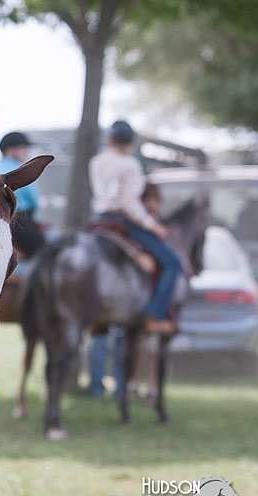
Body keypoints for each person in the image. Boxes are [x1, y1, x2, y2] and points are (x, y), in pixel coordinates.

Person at [89, 120, 181, 335]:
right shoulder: (130, 164)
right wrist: (153, 225)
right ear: (130, 141)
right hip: (123, 221)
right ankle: (155, 314)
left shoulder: (96, 161)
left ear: (110, 139)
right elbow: (129, 203)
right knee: (172, 263)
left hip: (101, 218)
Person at [87, 182, 164, 398]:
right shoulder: (131, 228)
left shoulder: (106, 226)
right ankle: (111, 388)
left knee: (106, 341)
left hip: (108, 303)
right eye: (152, 200)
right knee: (113, 342)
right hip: (123, 303)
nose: (154, 206)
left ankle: (106, 388)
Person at [0, 131, 46, 257]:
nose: (25, 151)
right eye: (22, 147)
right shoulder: (22, 170)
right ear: (10, 151)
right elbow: (34, 198)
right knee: (45, 254)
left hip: (2, 218)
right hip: (22, 220)